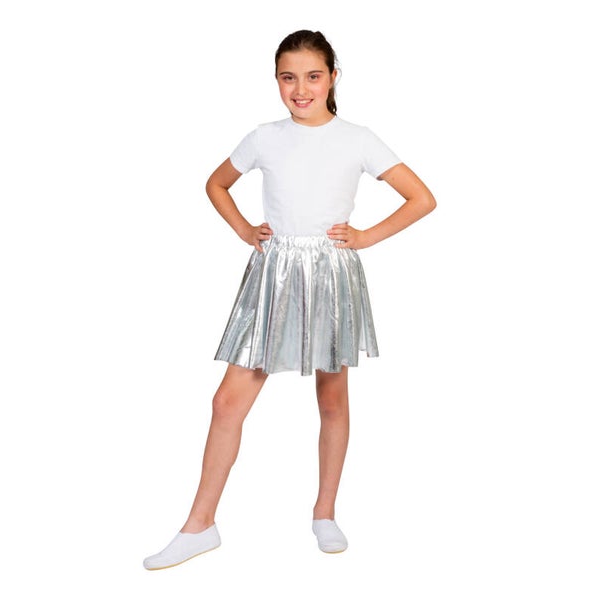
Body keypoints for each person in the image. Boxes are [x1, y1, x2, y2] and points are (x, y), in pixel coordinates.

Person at [143, 29, 436, 570]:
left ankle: (325, 512)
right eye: (288, 77)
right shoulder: (264, 137)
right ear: (276, 80)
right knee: (227, 401)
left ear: (333, 77)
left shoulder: (359, 139)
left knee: (332, 397)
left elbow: (422, 198)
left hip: (330, 275)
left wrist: (366, 237)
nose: (301, 89)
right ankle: (200, 524)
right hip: (274, 274)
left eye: (313, 76)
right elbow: (216, 184)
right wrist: (243, 230)